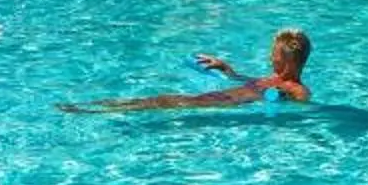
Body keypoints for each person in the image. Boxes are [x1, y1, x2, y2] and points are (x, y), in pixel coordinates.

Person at [63, 29, 313, 115]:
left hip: (223, 104)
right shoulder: (272, 78)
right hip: (223, 96)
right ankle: (99, 106)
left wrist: (284, 98)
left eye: (274, 56)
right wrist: (229, 70)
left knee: (166, 102)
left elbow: (302, 105)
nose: (270, 58)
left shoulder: (297, 89)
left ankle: (93, 110)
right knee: (162, 99)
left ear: (289, 63)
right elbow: (252, 83)